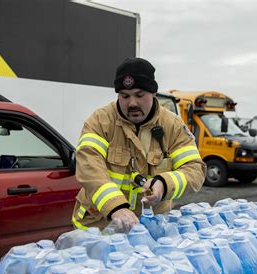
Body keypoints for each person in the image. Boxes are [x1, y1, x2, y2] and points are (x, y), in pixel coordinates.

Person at [72, 57, 206, 231]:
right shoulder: (100, 121)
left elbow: (194, 169)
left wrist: (163, 184)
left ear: (153, 93)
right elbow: (89, 167)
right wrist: (115, 206)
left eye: (139, 95)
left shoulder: (172, 125)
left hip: (150, 229)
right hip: (99, 227)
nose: (132, 103)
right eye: (124, 96)